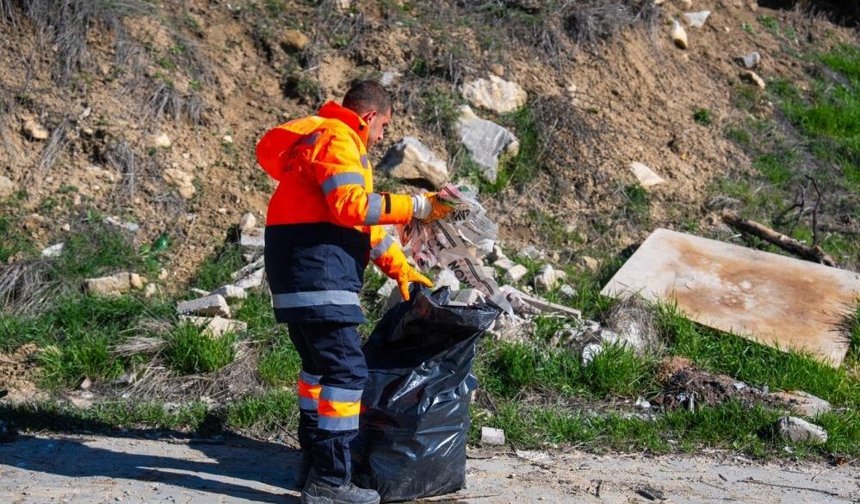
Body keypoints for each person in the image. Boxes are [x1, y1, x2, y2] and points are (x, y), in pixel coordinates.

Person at [256, 80, 453, 504]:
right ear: (368, 117)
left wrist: (403, 270)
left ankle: (313, 467)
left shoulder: (324, 145)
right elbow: (352, 207)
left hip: (301, 279)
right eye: (383, 126)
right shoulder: (337, 138)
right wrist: (418, 207)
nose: (382, 137)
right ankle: (330, 483)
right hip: (320, 276)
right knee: (347, 375)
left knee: (318, 373)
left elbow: (363, 226)